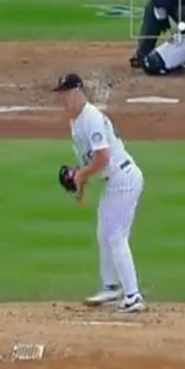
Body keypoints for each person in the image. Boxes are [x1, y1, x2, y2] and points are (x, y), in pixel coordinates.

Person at [52, 73, 147, 314]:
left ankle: (133, 296)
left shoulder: (90, 117)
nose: (63, 99)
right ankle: (111, 286)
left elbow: (103, 157)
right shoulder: (75, 123)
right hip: (114, 181)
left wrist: (82, 176)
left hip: (123, 178)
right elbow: (87, 161)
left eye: (66, 94)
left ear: (77, 92)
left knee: (116, 236)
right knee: (104, 233)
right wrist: (80, 188)